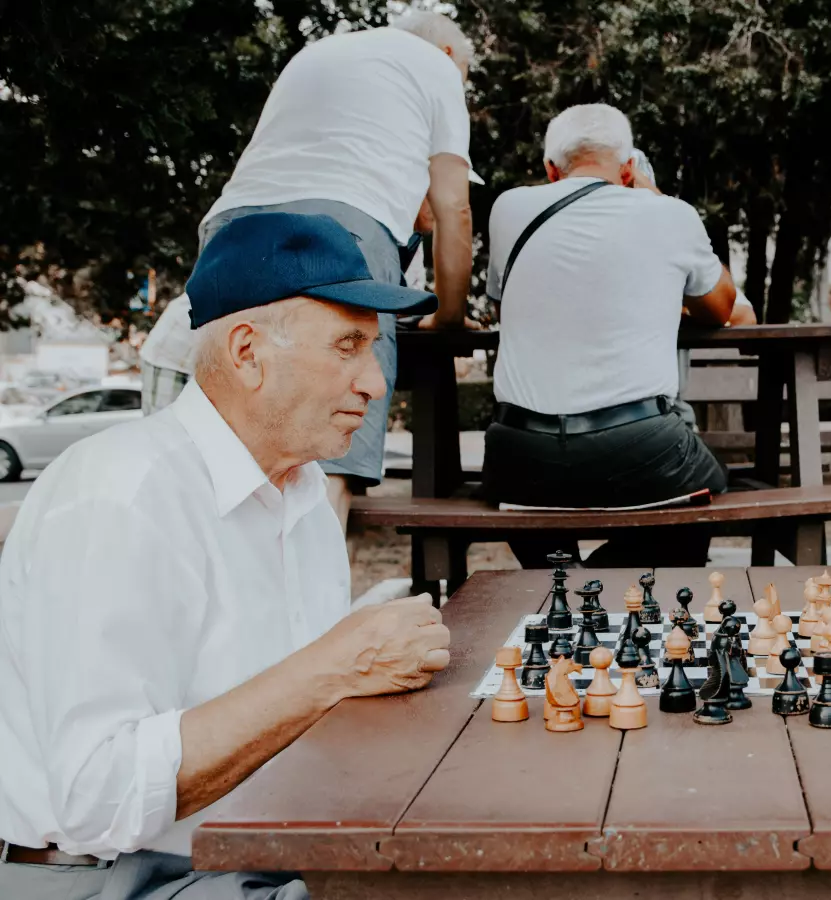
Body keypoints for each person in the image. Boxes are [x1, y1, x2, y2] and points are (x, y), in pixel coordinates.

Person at [0, 212, 452, 899]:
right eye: (348, 346)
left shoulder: (301, 495)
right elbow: (98, 799)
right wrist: (334, 668)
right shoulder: (121, 496)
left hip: (254, 856)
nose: (373, 382)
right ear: (247, 353)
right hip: (110, 879)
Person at [139, 10, 477, 532]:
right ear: (452, 57)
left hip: (232, 224)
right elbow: (453, 207)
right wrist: (450, 318)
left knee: (230, 443)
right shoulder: (436, 67)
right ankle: (315, 607)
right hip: (345, 227)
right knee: (333, 441)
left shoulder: (321, 51)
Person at [481, 103, 736, 568]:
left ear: (550, 169)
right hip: (638, 446)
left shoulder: (507, 208)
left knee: (521, 482)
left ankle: (557, 573)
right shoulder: (668, 213)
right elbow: (720, 307)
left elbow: (504, 303)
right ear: (628, 168)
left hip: (519, 455)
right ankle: (598, 580)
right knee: (709, 488)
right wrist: (655, 196)